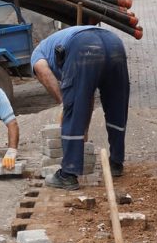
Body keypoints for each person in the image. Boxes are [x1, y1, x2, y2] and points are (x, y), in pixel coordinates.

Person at [31, 24, 129, 190]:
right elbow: (86, 95)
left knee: (72, 106)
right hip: (114, 43)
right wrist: (83, 130)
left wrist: (65, 103)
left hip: (84, 46)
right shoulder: (58, 41)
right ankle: (116, 163)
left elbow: (43, 72)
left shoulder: (37, 54)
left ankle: (68, 174)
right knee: (117, 105)